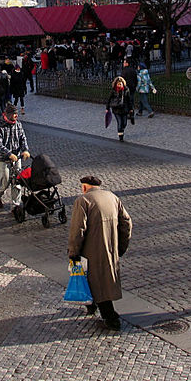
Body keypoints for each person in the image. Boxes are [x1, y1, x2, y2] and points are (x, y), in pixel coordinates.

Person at [67, 176, 132, 331]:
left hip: (92, 250)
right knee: (105, 279)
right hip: (111, 247)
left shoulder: (83, 201)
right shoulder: (113, 197)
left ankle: (110, 318)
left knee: (97, 282)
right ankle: (92, 306)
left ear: (84, 187)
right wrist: (121, 246)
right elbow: (127, 222)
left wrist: (73, 251)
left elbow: (77, 230)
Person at [0, 102, 30, 214]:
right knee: (5, 181)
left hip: (17, 158)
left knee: (17, 182)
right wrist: (9, 154)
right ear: (7, 115)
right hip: (4, 159)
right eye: (14, 114)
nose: (16, 116)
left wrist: (25, 150)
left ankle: (15, 206)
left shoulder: (18, 124)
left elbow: (23, 138)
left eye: (16, 114)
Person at [105, 76, 133, 142]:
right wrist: (107, 108)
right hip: (116, 109)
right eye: (118, 84)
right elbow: (109, 100)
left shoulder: (126, 90)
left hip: (124, 109)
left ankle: (121, 130)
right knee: (120, 123)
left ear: (123, 84)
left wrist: (131, 108)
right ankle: (121, 137)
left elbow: (129, 100)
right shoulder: (114, 91)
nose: (119, 85)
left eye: (120, 84)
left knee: (125, 123)